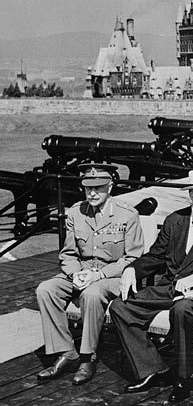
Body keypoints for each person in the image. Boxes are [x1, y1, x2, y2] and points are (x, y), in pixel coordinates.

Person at [109, 168, 193, 403]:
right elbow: (155, 257)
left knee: (181, 310)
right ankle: (154, 369)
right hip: (170, 287)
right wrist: (131, 269)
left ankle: (184, 378)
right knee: (120, 308)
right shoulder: (175, 220)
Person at [36, 163, 144, 385]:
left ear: (110, 187)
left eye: (99, 187)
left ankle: (88, 356)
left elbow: (133, 258)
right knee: (46, 290)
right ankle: (66, 351)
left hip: (113, 277)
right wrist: (75, 274)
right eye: (88, 188)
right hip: (83, 272)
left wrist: (100, 275)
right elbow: (68, 254)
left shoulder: (127, 214)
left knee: (92, 294)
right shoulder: (76, 213)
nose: (93, 193)